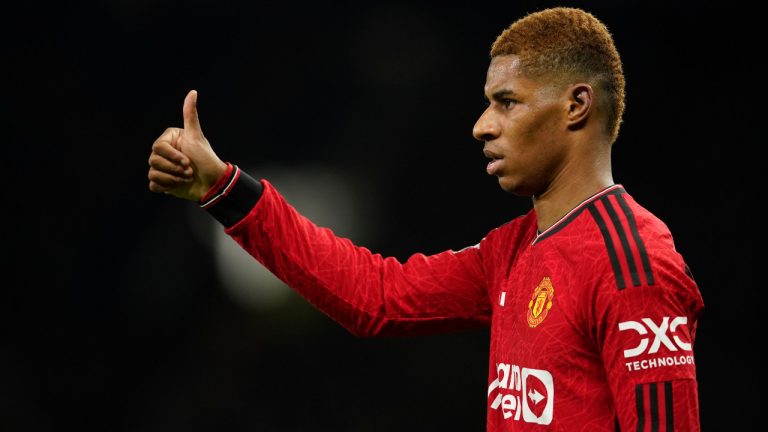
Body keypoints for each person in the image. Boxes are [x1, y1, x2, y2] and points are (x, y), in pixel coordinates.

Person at [147, 7, 703, 431]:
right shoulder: (511, 251)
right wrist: (222, 189)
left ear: (576, 106)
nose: (482, 125)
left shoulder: (633, 266)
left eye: (507, 102)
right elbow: (375, 296)